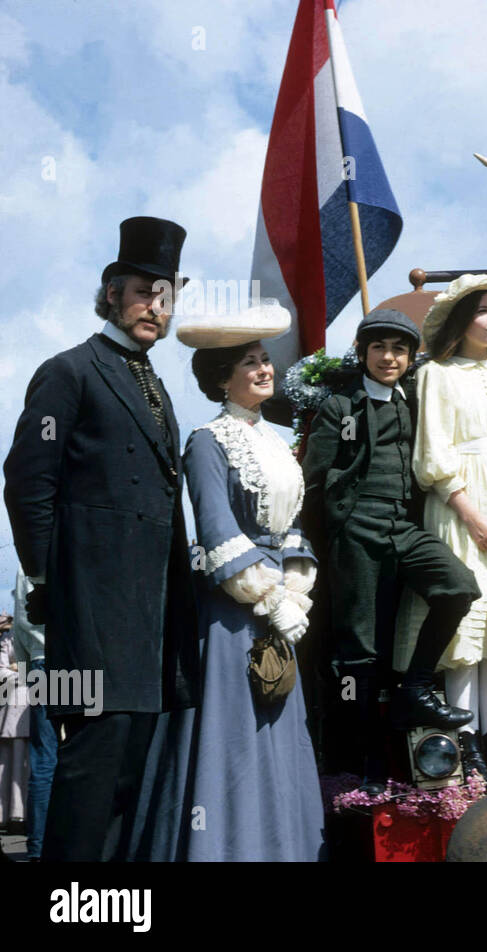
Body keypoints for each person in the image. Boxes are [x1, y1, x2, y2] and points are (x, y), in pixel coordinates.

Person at [3, 216, 198, 862]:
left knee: (125, 780)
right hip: (86, 615)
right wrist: (46, 585)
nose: (156, 306)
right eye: (144, 290)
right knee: (88, 773)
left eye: (166, 294)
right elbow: (27, 482)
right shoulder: (69, 372)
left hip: (148, 624)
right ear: (112, 291)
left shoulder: (160, 390)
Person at [136, 303, 325, 861]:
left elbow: (291, 525)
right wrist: (268, 597)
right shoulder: (206, 440)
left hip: (281, 608)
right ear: (223, 376)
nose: (266, 370)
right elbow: (216, 530)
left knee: (279, 722)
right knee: (234, 730)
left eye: (267, 360)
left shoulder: (280, 440)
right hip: (230, 611)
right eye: (251, 362)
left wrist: (295, 590)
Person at [302, 308, 479, 795]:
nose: (388, 357)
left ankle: (415, 688)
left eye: (399, 349)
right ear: (362, 353)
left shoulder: (415, 405)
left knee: (458, 587)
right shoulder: (342, 409)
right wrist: (335, 533)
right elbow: (316, 482)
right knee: (358, 656)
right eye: (378, 347)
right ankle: (363, 762)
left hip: (403, 526)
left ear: (411, 357)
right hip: (356, 530)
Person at [396, 276, 487, 780]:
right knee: (464, 630)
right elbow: (432, 454)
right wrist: (472, 515)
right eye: (483, 310)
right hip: (461, 507)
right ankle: (464, 745)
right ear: (461, 320)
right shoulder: (435, 374)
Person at [9, 570, 54, 860]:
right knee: (85, 753)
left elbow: (20, 622)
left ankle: (38, 847)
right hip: (80, 659)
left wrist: (27, 670)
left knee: (43, 759)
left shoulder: (27, 563)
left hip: (41, 661)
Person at [0, 618, 28, 834]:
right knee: (11, 763)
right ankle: (11, 815)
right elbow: (2, 671)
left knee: (27, 764)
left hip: (33, 701)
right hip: (15, 703)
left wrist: (18, 669)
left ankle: (21, 814)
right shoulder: (8, 638)